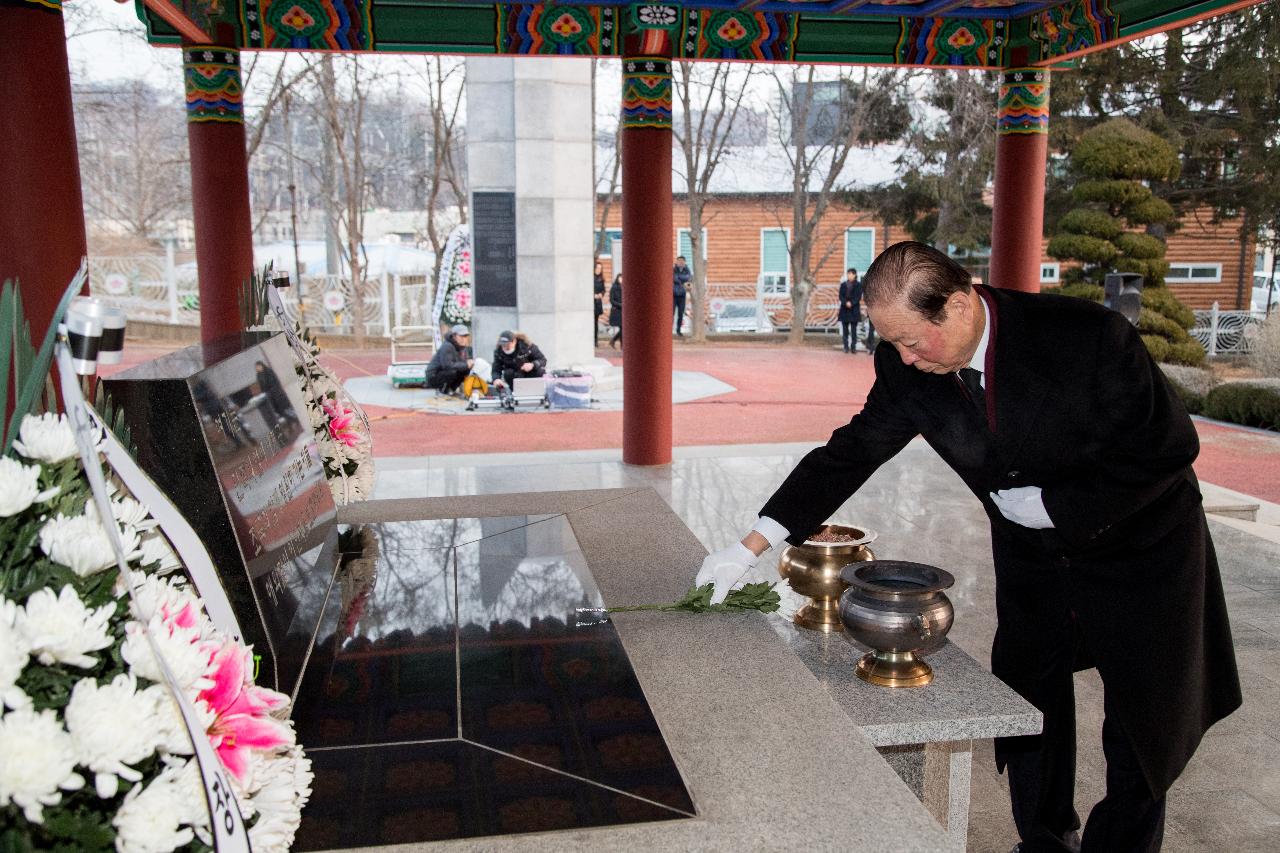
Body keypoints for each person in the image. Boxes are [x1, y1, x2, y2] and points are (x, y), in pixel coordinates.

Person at [696, 241, 1240, 853]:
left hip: (1143, 550)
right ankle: (1042, 836)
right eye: (892, 343)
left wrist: (1059, 506)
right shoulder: (908, 366)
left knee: (1143, 723)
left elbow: (1168, 448)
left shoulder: (1089, 337)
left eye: (912, 340)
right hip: (1034, 557)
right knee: (1029, 699)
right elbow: (851, 453)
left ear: (957, 305)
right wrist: (751, 544)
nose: (903, 357)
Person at [426, 324, 473, 395]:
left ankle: (450, 389)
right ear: (454, 336)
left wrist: (468, 363)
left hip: (443, 373)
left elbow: (462, 363)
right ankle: (442, 389)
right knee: (452, 371)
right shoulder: (447, 346)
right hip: (434, 376)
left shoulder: (462, 347)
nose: (464, 339)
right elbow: (447, 366)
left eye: (466, 336)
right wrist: (466, 364)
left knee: (466, 370)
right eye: (461, 336)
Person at [837, 267, 861, 353]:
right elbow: (840, 296)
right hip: (844, 310)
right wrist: (845, 303)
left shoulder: (858, 285)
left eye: (850, 273)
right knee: (845, 330)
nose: (848, 275)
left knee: (854, 330)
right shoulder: (843, 284)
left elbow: (858, 296)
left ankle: (853, 347)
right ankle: (846, 347)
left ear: (854, 275)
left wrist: (852, 303)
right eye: (848, 274)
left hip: (854, 310)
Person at [673, 255, 692, 337]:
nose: (680, 263)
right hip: (673, 294)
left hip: (682, 295)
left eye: (682, 261)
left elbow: (689, 277)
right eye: (679, 261)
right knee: (671, 313)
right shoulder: (673, 269)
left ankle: (678, 330)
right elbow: (674, 278)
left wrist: (680, 279)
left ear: (684, 262)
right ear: (676, 262)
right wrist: (683, 280)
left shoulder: (687, 269)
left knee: (681, 314)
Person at [609, 273, 623, 350]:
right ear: (617, 279)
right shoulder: (614, 287)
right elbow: (611, 300)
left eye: (622, 278)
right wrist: (621, 305)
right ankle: (621, 345)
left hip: (622, 311)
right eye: (620, 278)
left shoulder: (624, 287)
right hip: (616, 311)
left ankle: (614, 340)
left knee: (622, 328)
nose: (621, 280)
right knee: (622, 328)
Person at [594, 260, 606, 347]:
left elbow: (604, 290)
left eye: (600, 268)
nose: (599, 269)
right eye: (597, 268)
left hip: (598, 303)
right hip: (590, 304)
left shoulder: (601, 279)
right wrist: (593, 295)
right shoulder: (591, 277)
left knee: (596, 323)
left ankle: (595, 341)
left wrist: (601, 294)